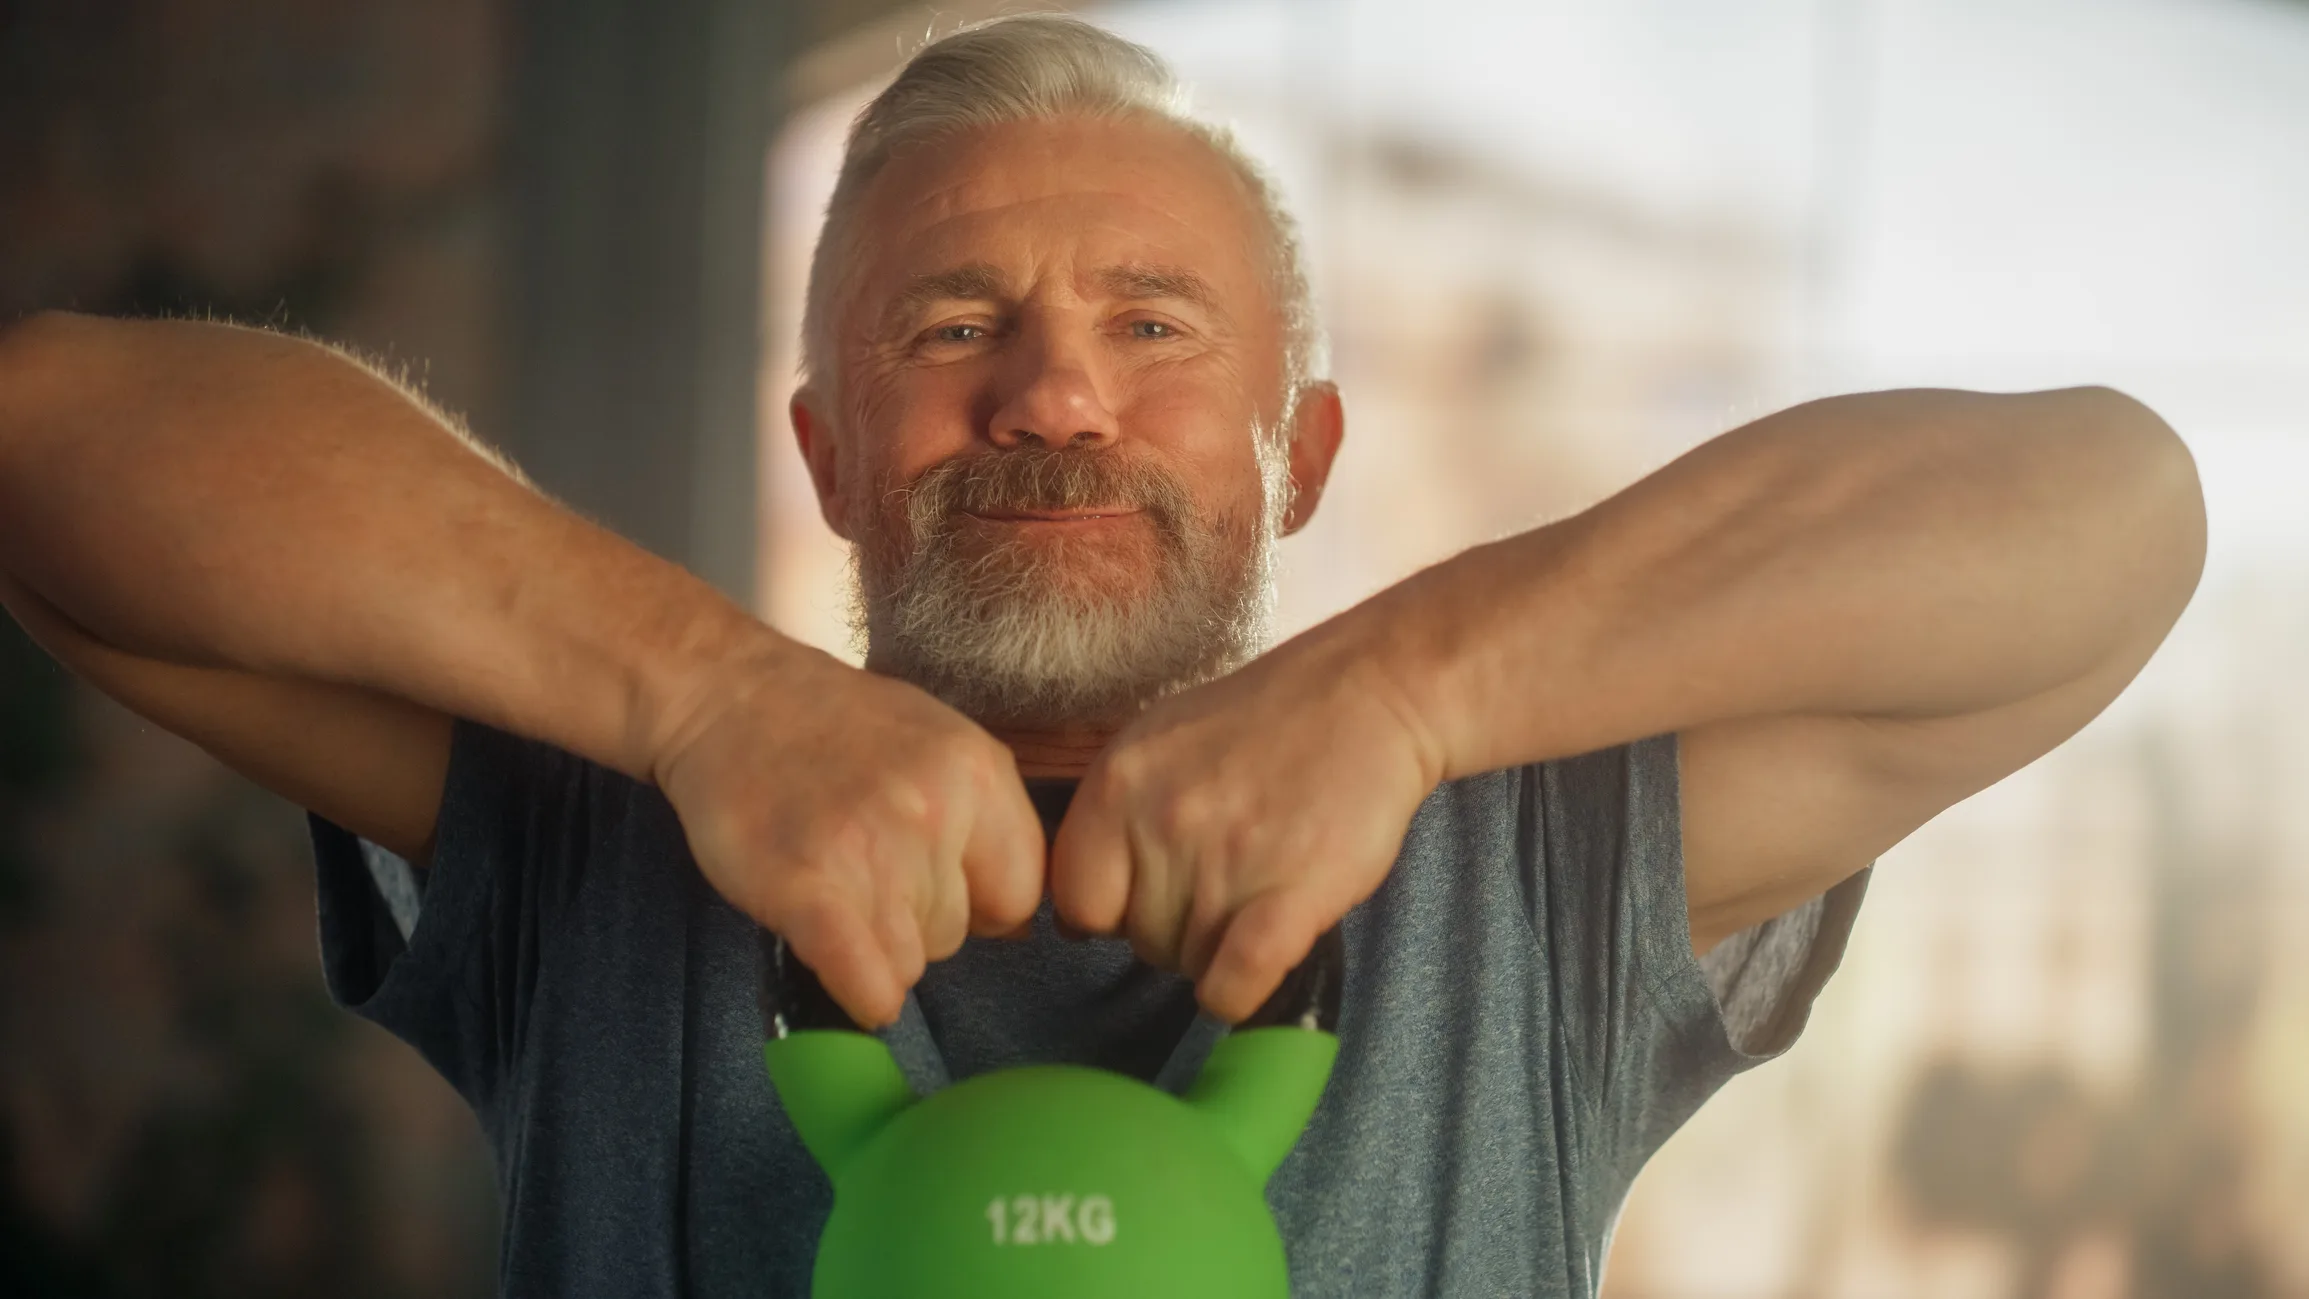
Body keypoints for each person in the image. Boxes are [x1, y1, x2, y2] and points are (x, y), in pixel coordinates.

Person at [0, 14, 2203, 1297]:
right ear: (831, 452)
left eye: (1152, 330)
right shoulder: (614, 814)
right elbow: (49, 444)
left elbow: (2106, 515)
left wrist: (1407, 691)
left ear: (1298, 449)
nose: (1051, 396)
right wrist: (708, 697)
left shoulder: (1528, 847)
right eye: (950, 328)